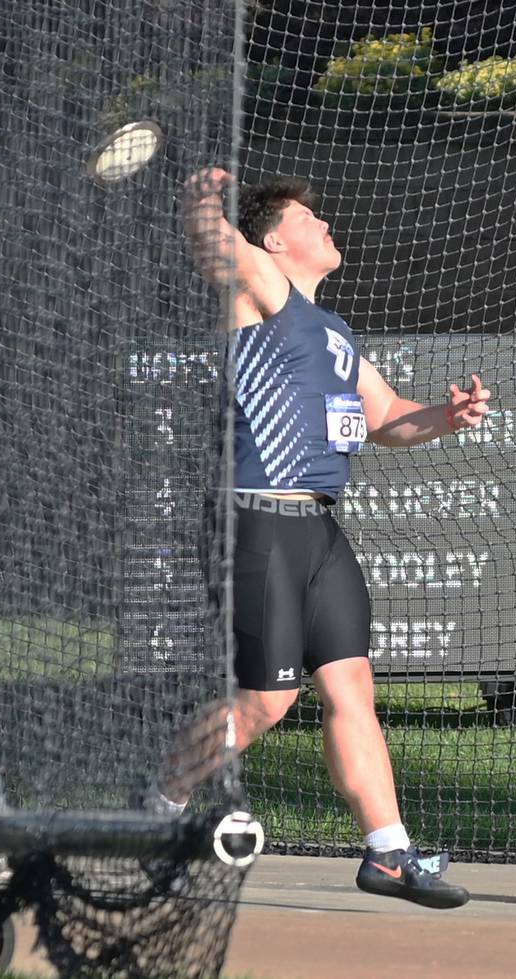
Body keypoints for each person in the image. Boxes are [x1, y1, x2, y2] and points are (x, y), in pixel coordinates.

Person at [131, 168, 490, 909]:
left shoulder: (332, 330)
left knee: (351, 683)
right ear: (274, 239)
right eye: (309, 217)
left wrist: (446, 418)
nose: (326, 225)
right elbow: (214, 247)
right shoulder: (263, 291)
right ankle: (150, 814)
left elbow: (389, 416)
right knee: (264, 702)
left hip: (319, 529)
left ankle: (388, 853)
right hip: (256, 521)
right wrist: (200, 198)